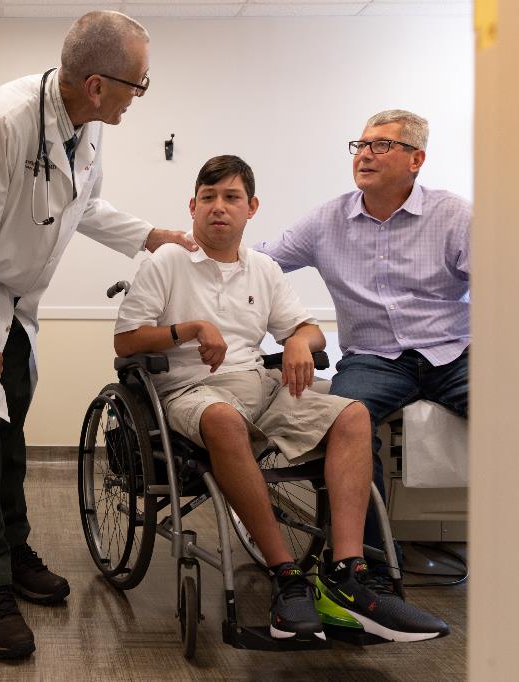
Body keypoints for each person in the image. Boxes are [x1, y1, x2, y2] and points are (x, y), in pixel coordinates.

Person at [0, 11, 195, 660]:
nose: (139, 96)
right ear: (98, 84)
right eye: (138, 84)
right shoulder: (4, 122)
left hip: (11, 300)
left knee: (10, 431)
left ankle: (10, 551)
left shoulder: (87, 128)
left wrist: (152, 236)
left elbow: (85, 204)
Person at [115, 155, 449, 643]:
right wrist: (189, 329)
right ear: (192, 206)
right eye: (208, 198)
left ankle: (348, 575)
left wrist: (297, 341)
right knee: (226, 421)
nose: (218, 208)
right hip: (190, 391)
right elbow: (126, 342)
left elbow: (308, 329)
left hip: (259, 386)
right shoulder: (167, 262)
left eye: (231, 198)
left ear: (252, 208)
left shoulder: (264, 268)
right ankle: (287, 576)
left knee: (353, 414)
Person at [255, 110, 470, 565]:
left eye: (381, 145)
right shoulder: (327, 220)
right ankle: (363, 564)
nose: (365, 155)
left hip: (453, 352)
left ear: (416, 160)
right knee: (344, 425)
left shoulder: (453, 215)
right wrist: (191, 250)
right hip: (373, 359)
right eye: (361, 145)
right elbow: (261, 262)